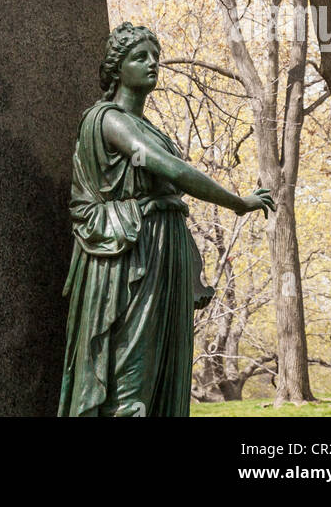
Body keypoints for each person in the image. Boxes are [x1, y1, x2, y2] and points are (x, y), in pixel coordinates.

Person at [59, 22, 275, 417]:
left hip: (162, 249)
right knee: (131, 370)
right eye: (139, 57)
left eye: (155, 56)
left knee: (162, 368)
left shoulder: (149, 127)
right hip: (130, 258)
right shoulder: (108, 119)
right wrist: (237, 202)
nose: (152, 63)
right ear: (116, 68)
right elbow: (172, 170)